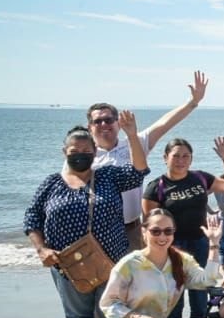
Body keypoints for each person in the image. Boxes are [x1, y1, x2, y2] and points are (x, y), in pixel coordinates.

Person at [24, 113, 150, 318]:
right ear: (64, 152)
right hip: (66, 263)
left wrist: (131, 135)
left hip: (111, 260)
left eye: (85, 150)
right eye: (74, 151)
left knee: (112, 311)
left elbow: (139, 170)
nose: (80, 154)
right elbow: (32, 219)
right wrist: (41, 249)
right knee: (78, 314)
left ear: (95, 151)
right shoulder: (51, 184)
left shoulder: (108, 176)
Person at [99, 209, 223, 318]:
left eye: (168, 231)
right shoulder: (129, 264)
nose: (162, 236)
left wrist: (214, 244)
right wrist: (138, 317)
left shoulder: (180, 260)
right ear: (144, 232)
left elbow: (207, 280)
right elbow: (108, 303)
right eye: (155, 231)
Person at [88, 71, 208, 250]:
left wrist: (193, 102)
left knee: (137, 276)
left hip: (132, 228)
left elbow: (165, 123)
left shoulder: (134, 143)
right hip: (98, 231)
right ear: (89, 127)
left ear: (118, 123)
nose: (104, 125)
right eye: (98, 121)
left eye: (109, 120)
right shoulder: (84, 156)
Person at [141, 136, 224, 318]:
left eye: (186, 156)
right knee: (174, 295)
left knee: (199, 294)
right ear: (165, 157)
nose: (181, 161)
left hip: (200, 242)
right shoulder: (156, 187)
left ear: (191, 158)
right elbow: (149, 225)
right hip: (172, 247)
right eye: (176, 156)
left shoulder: (200, 178)